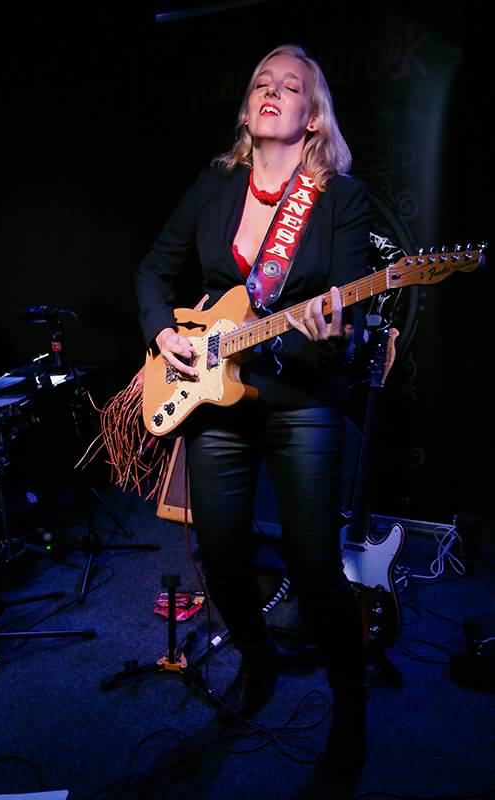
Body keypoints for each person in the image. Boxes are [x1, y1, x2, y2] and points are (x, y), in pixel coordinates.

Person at [136, 43, 371, 777]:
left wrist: (335, 327)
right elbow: (152, 269)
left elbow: (351, 307)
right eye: (261, 83)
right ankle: (258, 658)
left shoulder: (339, 198)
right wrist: (164, 333)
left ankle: (350, 713)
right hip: (217, 394)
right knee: (221, 554)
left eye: (290, 86)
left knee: (314, 563)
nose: (271, 91)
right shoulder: (214, 185)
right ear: (246, 108)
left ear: (312, 116)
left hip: (301, 398)